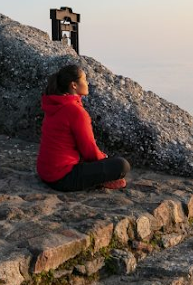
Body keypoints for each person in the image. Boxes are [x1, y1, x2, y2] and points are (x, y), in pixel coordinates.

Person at [36, 64, 130, 192]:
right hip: (62, 178)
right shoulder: (75, 111)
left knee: (105, 160)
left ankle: (101, 177)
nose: (87, 83)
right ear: (74, 85)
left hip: (46, 172)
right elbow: (89, 150)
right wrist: (105, 161)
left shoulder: (55, 104)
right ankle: (102, 180)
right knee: (122, 165)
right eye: (84, 79)